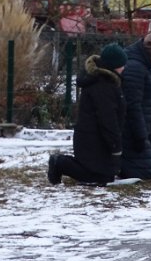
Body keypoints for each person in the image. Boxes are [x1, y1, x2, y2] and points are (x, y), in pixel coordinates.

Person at [48, 44, 127, 186]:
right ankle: (60, 162)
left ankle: (61, 163)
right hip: (94, 138)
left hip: (91, 136)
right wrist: (115, 145)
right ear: (114, 66)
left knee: (104, 176)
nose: (124, 68)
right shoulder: (104, 85)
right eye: (122, 65)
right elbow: (108, 119)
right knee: (97, 177)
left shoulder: (101, 81)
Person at [121, 30, 151, 179]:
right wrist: (141, 137)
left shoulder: (143, 66)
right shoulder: (137, 68)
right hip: (132, 133)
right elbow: (133, 106)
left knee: (150, 171)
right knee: (146, 173)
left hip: (137, 131)